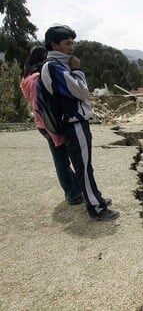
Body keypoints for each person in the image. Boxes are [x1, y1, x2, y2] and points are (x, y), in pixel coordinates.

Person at [41, 25, 119, 221]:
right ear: (54, 44)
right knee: (83, 166)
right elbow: (82, 92)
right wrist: (77, 70)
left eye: (73, 43)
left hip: (75, 123)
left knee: (84, 165)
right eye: (67, 43)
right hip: (73, 123)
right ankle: (96, 208)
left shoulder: (59, 66)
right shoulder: (55, 67)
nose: (71, 47)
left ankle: (94, 197)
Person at [20, 45, 84, 206]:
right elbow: (39, 106)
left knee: (62, 158)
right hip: (49, 124)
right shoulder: (35, 78)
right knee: (62, 160)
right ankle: (73, 193)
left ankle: (75, 189)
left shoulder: (26, 78)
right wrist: (55, 127)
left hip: (43, 124)